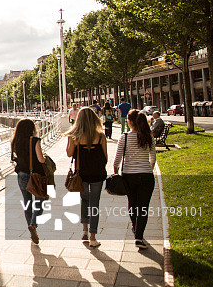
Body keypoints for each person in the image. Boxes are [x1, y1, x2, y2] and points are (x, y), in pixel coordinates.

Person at [65, 107, 108, 248]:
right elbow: (105, 157)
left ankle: (84, 230)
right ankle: (93, 237)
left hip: (81, 173)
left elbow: (69, 154)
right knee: (95, 203)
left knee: (84, 200)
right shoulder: (100, 136)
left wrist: (71, 141)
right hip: (97, 173)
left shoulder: (74, 136)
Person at [113, 109, 156, 250]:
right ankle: (139, 236)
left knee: (132, 204)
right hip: (146, 176)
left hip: (129, 176)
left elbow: (117, 158)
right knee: (143, 207)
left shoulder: (124, 137)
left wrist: (115, 169)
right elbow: (153, 157)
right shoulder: (148, 136)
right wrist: (148, 167)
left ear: (129, 122)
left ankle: (134, 227)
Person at [11, 119, 47, 244]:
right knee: (40, 201)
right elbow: (41, 159)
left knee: (27, 202)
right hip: (35, 176)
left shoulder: (15, 141)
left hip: (21, 175)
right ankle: (33, 224)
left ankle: (31, 229)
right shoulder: (34, 140)